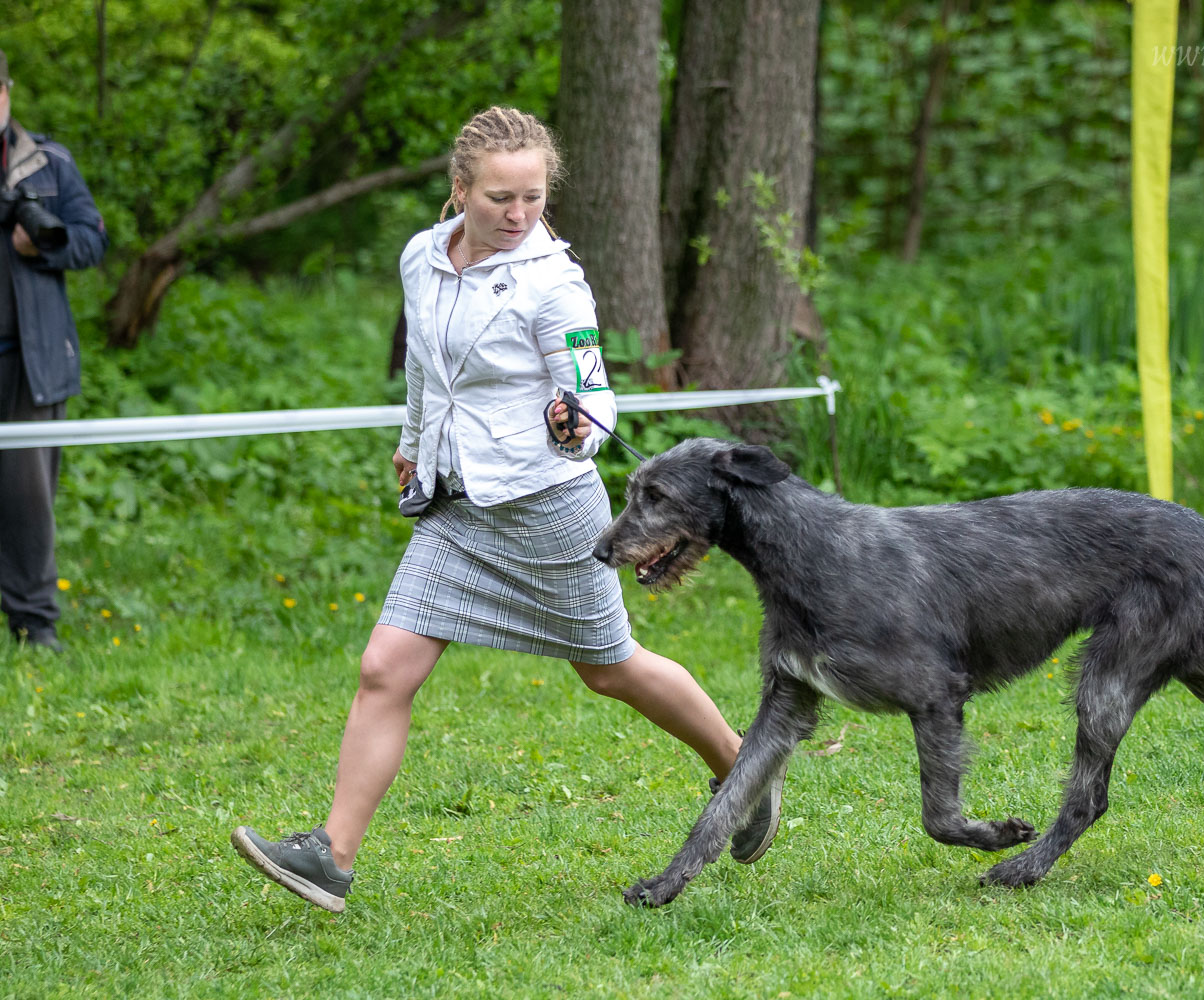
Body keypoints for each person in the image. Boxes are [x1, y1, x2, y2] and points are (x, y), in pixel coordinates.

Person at [231, 106, 781, 913]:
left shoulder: (553, 283)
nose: (518, 215)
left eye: (532, 197)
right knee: (384, 668)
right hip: (456, 506)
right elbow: (424, 364)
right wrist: (414, 442)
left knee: (609, 669)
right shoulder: (422, 257)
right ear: (460, 191)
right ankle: (330, 859)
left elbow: (595, 401)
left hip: (545, 507)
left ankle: (743, 767)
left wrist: (576, 428)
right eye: (499, 199)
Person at [0, 50, 108, 652]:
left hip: (31, 358)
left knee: (27, 492)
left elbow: (93, 239)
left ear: (7, 91)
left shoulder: (48, 162)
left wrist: (40, 245)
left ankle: (33, 624)